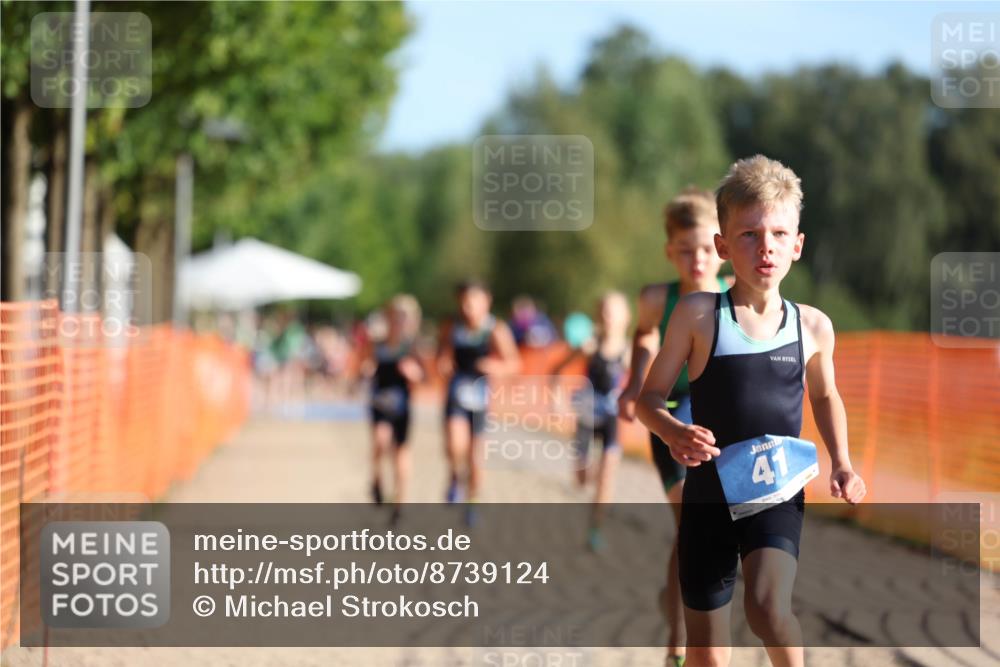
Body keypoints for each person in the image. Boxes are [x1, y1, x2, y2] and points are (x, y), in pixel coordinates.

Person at [637, 155, 867, 667]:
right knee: (708, 655)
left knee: (766, 609)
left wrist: (843, 461)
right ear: (723, 246)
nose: (766, 246)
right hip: (707, 497)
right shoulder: (699, 316)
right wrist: (674, 431)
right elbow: (647, 400)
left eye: (779, 234)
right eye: (748, 234)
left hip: (776, 491)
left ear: (797, 245)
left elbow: (826, 395)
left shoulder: (813, 326)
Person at [616, 186, 731, 665]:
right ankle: (677, 643)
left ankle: (687, 622)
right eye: (685, 251)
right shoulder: (654, 298)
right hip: (667, 414)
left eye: (706, 248)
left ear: (722, 249)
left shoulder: (736, 298)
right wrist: (634, 383)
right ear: (670, 252)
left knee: (704, 532)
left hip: (716, 420)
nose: (697, 260)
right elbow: (643, 334)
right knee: (690, 526)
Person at [550, 291, 631, 551]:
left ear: (626, 317)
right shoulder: (589, 346)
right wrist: (557, 401)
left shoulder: (629, 351)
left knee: (607, 476)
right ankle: (590, 478)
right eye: (605, 311)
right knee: (582, 478)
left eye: (614, 311)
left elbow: (648, 382)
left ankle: (596, 529)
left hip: (612, 419)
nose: (609, 316)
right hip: (586, 416)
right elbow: (557, 370)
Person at [437, 280, 519, 521]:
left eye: (473, 302)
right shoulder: (452, 326)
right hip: (456, 393)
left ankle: (472, 502)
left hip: (481, 398)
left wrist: (497, 366)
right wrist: (442, 362)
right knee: (454, 445)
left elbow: (514, 363)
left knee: (475, 459)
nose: (468, 307)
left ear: (486, 302)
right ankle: (454, 474)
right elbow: (441, 353)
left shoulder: (495, 329)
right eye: (464, 302)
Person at [363, 295, 424, 523]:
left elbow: (424, 376)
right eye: (396, 317)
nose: (400, 322)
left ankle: (400, 502)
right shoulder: (377, 344)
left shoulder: (412, 347)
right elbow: (365, 363)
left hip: (402, 406)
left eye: (404, 318)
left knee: (401, 454)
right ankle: (377, 479)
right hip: (379, 402)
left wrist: (414, 374)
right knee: (380, 441)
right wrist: (366, 369)